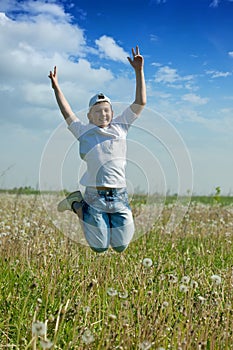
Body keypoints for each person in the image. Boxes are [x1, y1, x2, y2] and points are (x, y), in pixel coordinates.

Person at [48, 45, 146, 253]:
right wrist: (57, 87)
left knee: (120, 246)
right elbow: (67, 112)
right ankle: (77, 204)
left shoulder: (121, 127)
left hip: (119, 196)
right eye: (98, 111)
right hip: (94, 196)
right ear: (90, 116)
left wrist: (139, 71)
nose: (103, 114)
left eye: (106, 110)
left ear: (112, 113)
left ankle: (105, 222)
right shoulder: (84, 132)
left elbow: (140, 102)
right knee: (99, 247)